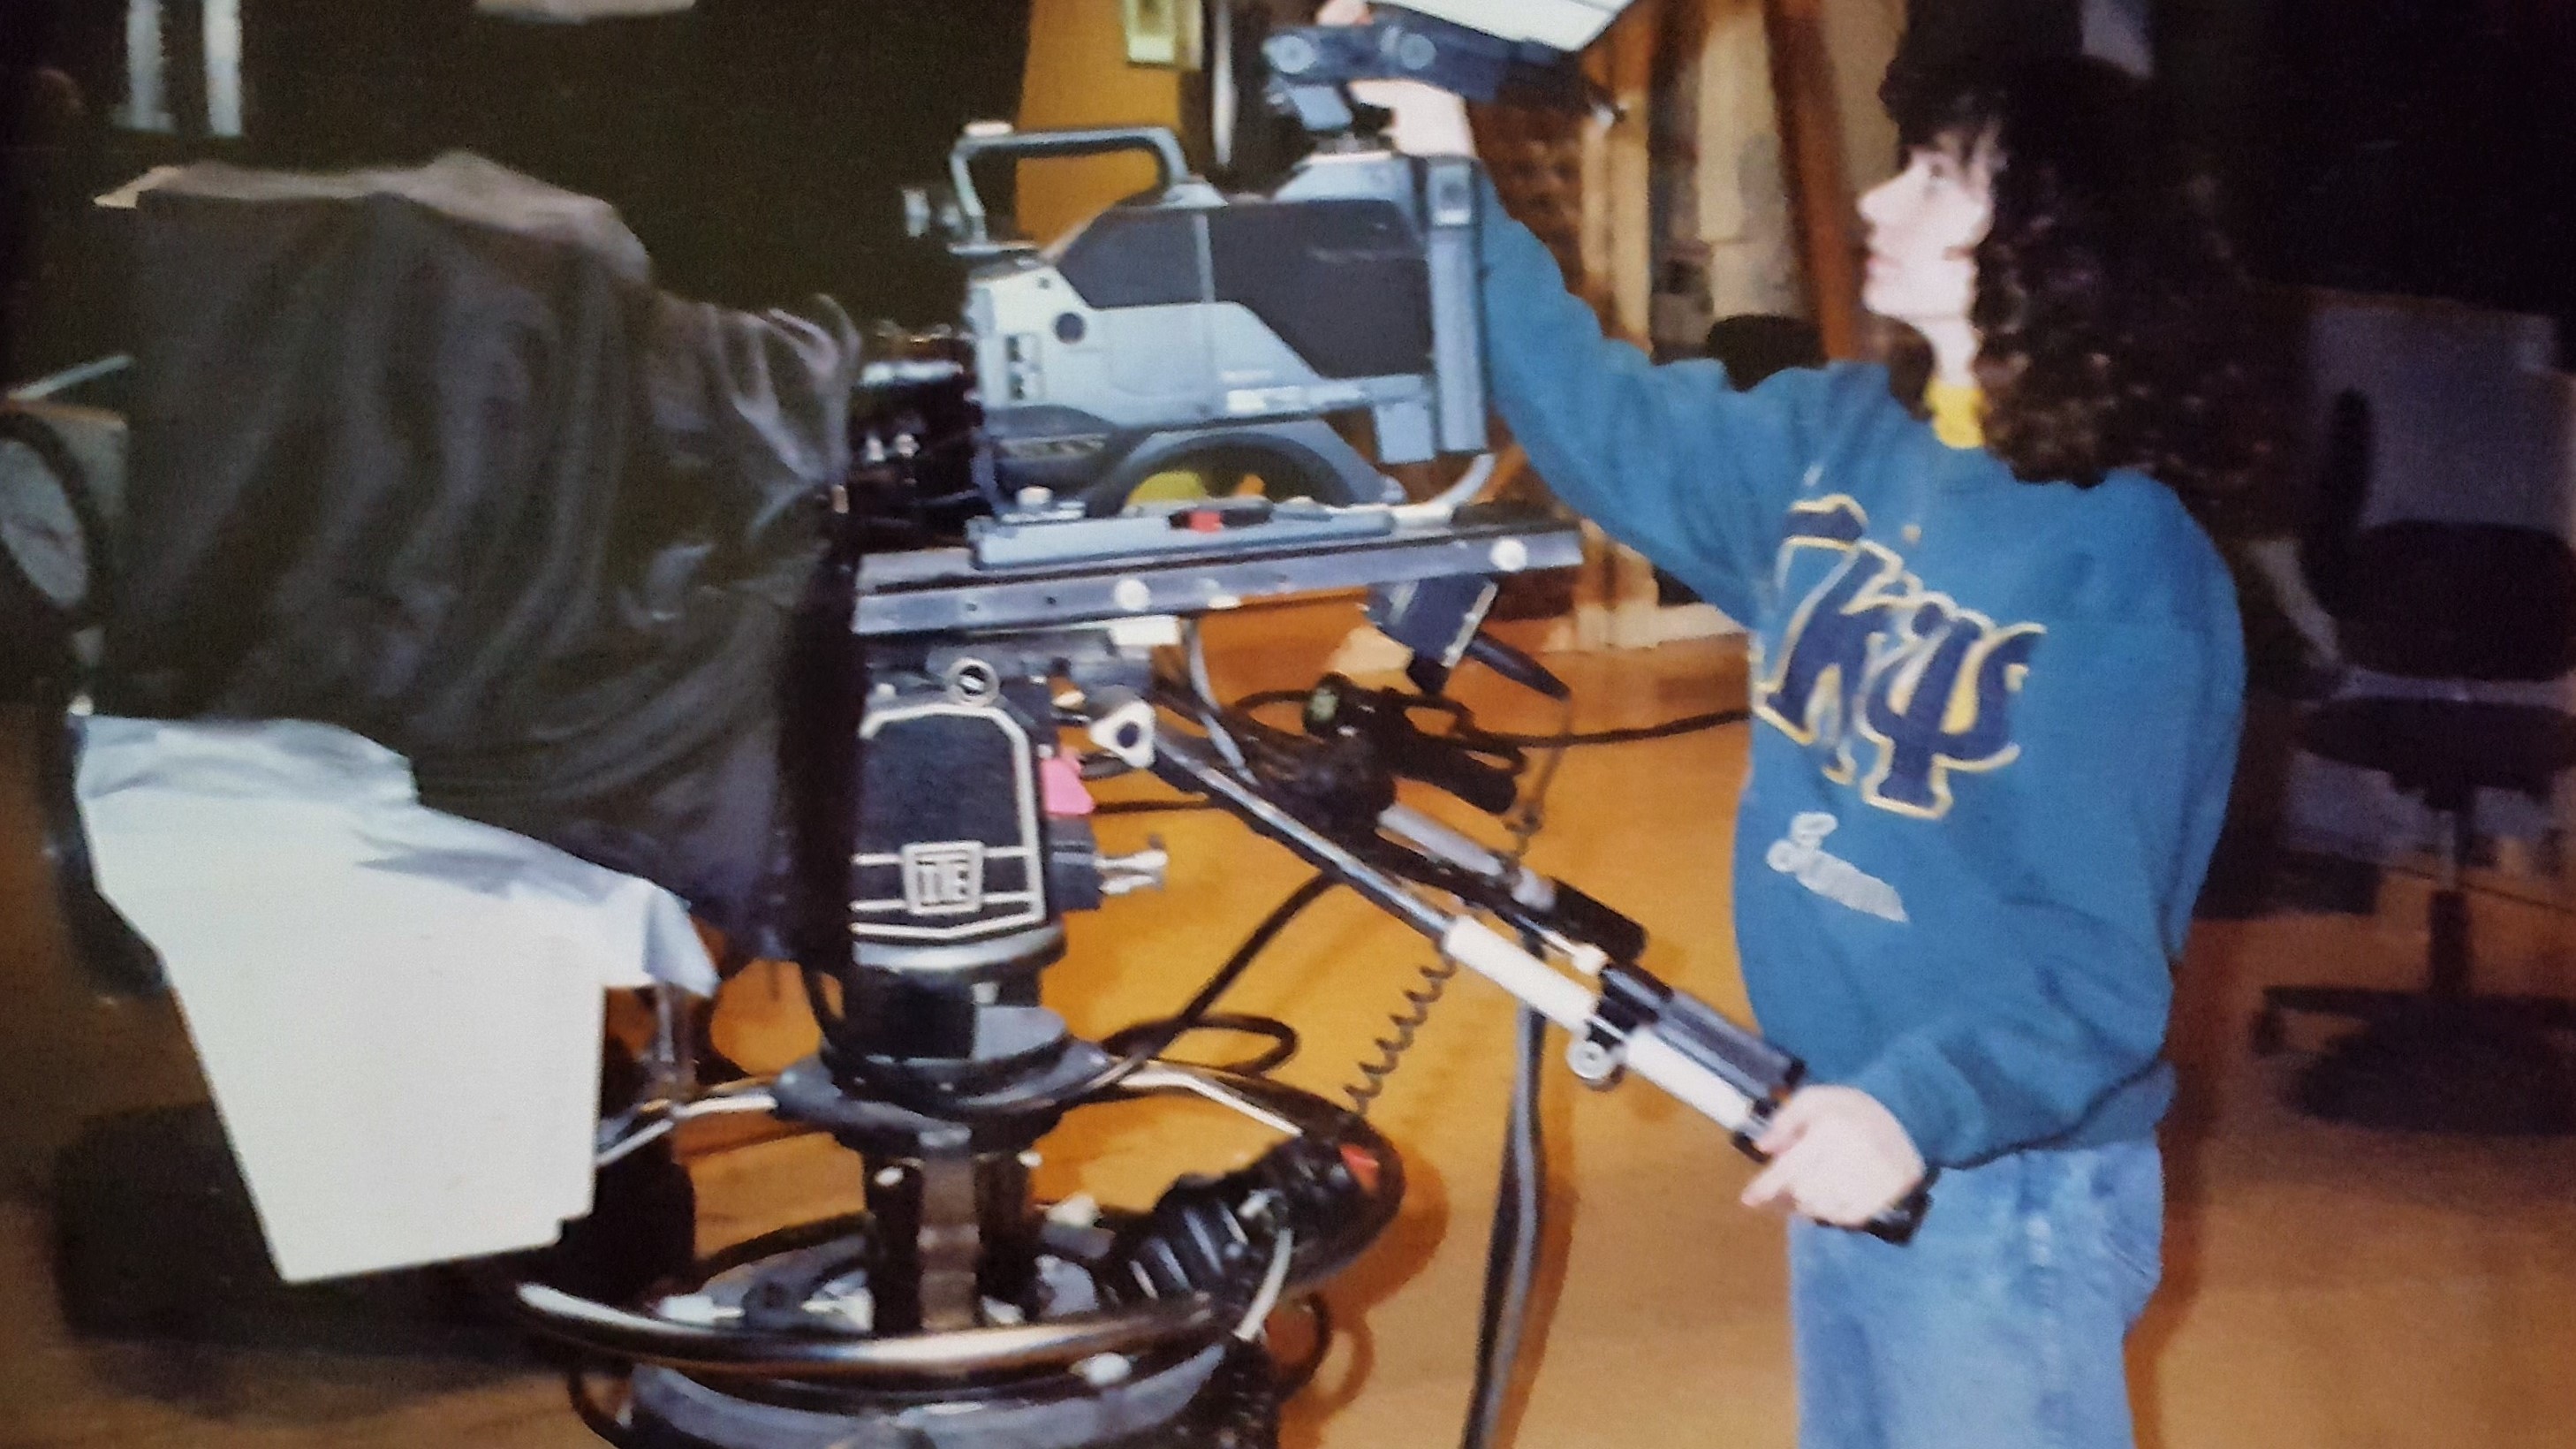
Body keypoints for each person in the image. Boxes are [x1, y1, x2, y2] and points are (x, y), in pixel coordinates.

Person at [1330, 6, 2266, 1445]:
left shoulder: (2130, 572)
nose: (1880, 200)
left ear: (2059, 248)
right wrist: (1442, 149)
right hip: (1839, 1125)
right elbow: (1603, 422)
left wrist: (1916, 1110)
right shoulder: (1841, 436)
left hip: (1995, 1178)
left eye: (1939, 179)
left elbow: (2093, 976)